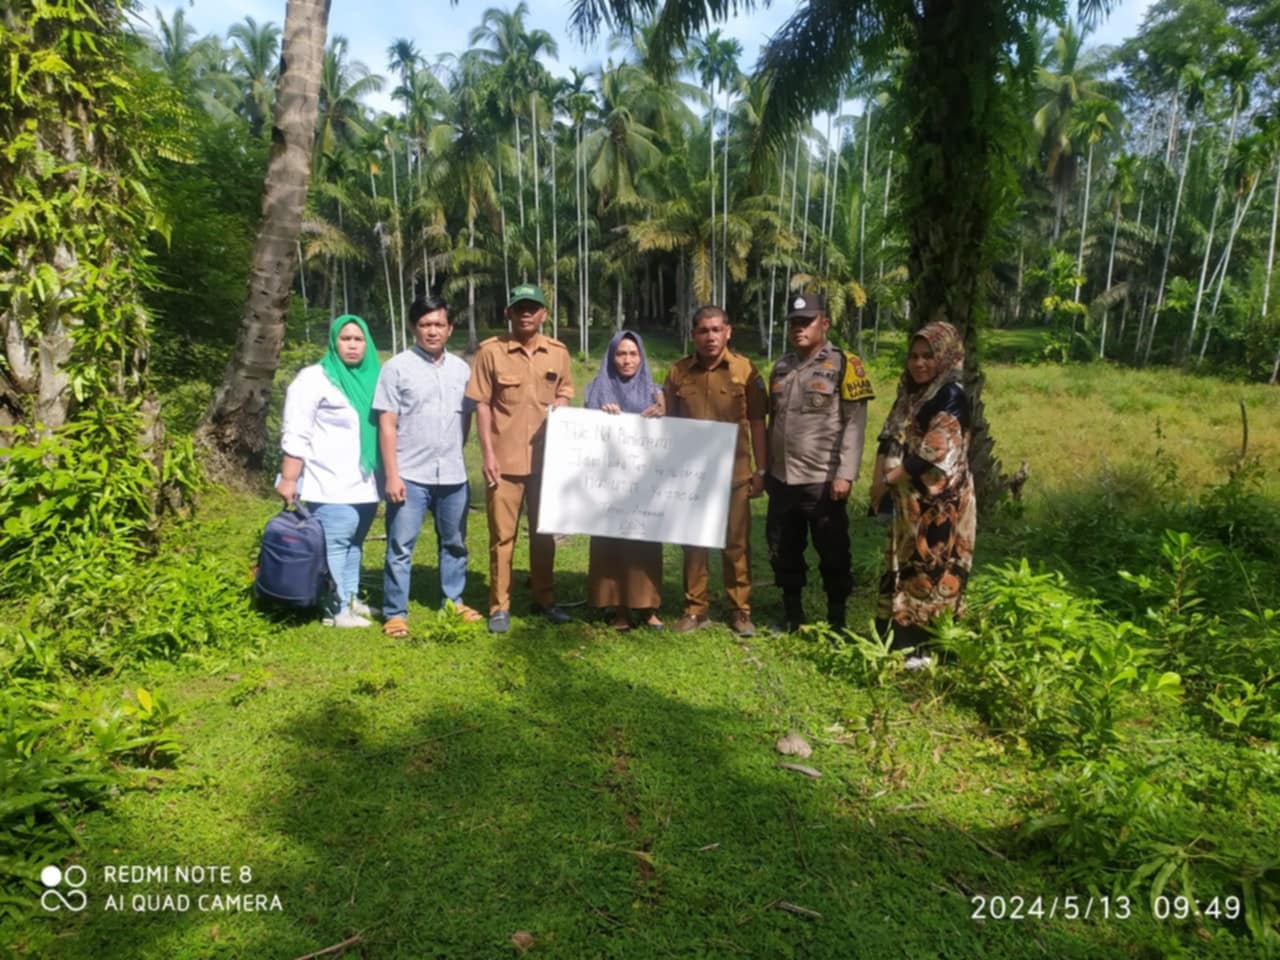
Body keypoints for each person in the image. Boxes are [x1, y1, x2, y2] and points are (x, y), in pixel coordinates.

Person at [465, 283, 575, 634]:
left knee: (544, 534)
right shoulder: (491, 352)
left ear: (544, 314)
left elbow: (566, 390)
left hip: (547, 462)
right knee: (503, 537)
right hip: (505, 462)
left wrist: (561, 404)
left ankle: (544, 599)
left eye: (533, 307)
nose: (526, 313)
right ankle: (500, 605)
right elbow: (481, 403)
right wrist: (487, 454)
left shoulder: (558, 352)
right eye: (519, 307)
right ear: (508, 313)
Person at [868, 319, 976, 669]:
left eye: (928, 356)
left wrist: (891, 477)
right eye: (913, 356)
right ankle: (901, 641)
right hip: (908, 503)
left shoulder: (951, 395)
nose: (919, 363)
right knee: (904, 566)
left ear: (945, 357)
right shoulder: (911, 392)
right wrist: (877, 480)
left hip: (940, 504)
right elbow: (890, 434)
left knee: (933, 569)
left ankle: (931, 648)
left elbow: (936, 449)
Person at [374, 296, 484, 638]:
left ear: (450, 329)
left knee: (454, 542)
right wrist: (392, 474)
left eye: (438, 324)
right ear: (413, 328)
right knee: (400, 545)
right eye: (424, 324)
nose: (431, 331)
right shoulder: (396, 368)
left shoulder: (462, 369)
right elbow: (387, 423)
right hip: (410, 474)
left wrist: (455, 451)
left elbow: (465, 419)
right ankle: (395, 612)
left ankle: (454, 600)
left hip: (452, 474)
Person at [765, 293, 875, 633]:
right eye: (794, 323)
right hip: (782, 477)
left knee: (833, 551)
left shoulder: (845, 364)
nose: (798, 329)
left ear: (824, 324)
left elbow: (854, 423)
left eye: (806, 322)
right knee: (783, 548)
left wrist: (846, 474)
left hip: (823, 478)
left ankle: (836, 618)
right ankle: (792, 614)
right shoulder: (782, 366)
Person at [663, 305, 768, 637]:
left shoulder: (745, 371)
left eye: (716, 330)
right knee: (694, 541)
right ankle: (696, 608)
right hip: (690, 476)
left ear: (728, 331)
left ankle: (740, 609)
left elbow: (756, 422)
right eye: (703, 331)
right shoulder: (678, 373)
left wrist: (760, 469)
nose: (710, 337)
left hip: (734, 473)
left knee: (736, 544)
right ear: (693, 334)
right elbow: (667, 424)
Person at [276, 315, 382, 627]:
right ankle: (333, 609)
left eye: (358, 339)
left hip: (365, 482)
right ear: (334, 342)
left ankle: (350, 598)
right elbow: (297, 431)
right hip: (329, 482)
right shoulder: (314, 378)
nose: (352, 345)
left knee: (354, 544)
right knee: (335, 543)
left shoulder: (373, 376)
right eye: (345, 338)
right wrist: (290, 477)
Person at [583, 330, 666, 631]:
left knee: (645, 544)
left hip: (645, 485)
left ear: (641, 357)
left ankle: (648, 606)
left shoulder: (656, 392)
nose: (627, 360)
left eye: (633, 354)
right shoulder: (597, 390)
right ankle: (618, 607)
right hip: (609, 486)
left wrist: (662, 413)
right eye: (621, 353)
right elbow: (583, 434)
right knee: (611, 543)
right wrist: (601, 416)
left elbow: (669, 433)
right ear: (611, 356)